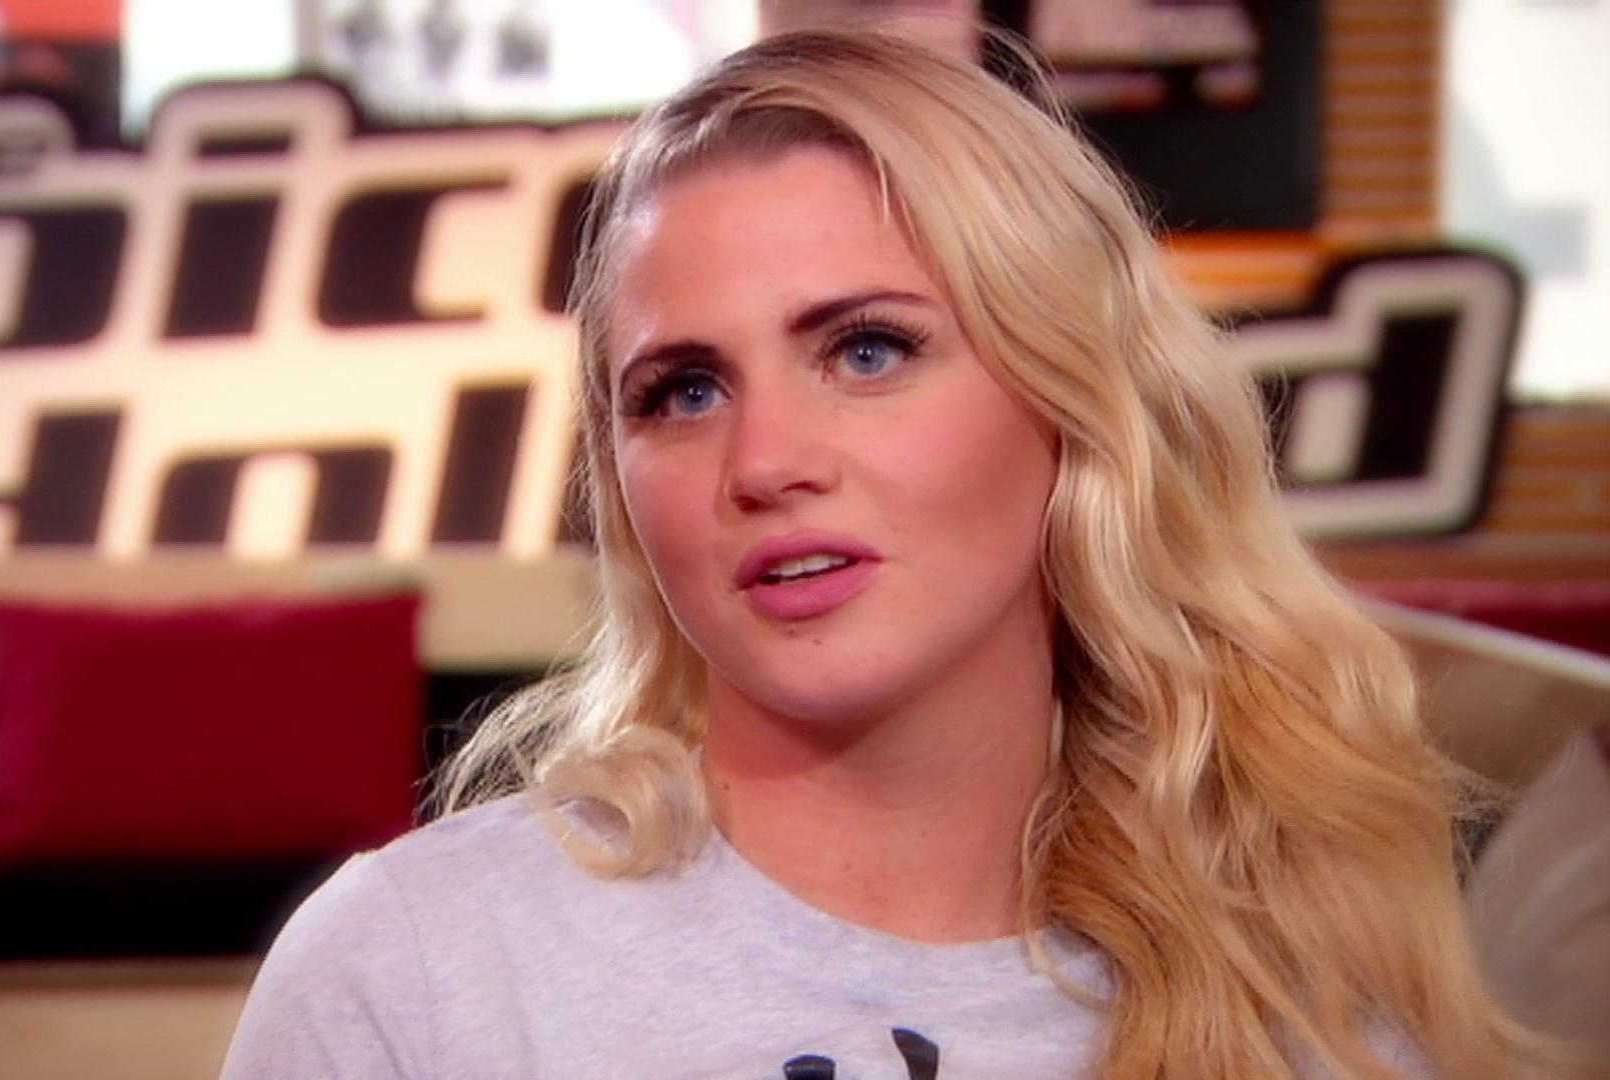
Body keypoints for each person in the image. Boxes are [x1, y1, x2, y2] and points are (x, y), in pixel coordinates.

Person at [223, 26, 1595, 1079]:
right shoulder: (417, 977)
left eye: (868, 350)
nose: (764, 462)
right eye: (683, 391)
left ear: (1073, 407)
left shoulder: (1314, 1005)